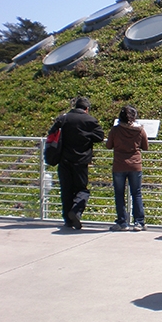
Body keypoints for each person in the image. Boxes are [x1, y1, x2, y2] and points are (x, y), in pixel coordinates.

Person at [49, 97, 105, 230]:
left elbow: (52, 132)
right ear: (86, 109)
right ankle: (76, 211)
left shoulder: (64, 118)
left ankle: (68, 220)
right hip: (81, 161)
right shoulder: (90, 120)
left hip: (64, 160)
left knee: (66, 190)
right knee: (82, 189)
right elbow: (100, 137)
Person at [106, 105, 149, 231]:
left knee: (119, 194)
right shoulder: (140, 130)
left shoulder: (115, 130)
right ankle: (139, 222)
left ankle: (122, 222)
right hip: (135, 165)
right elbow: (145, 146)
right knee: (136, 193)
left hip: (119, 165)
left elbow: (109, 145)